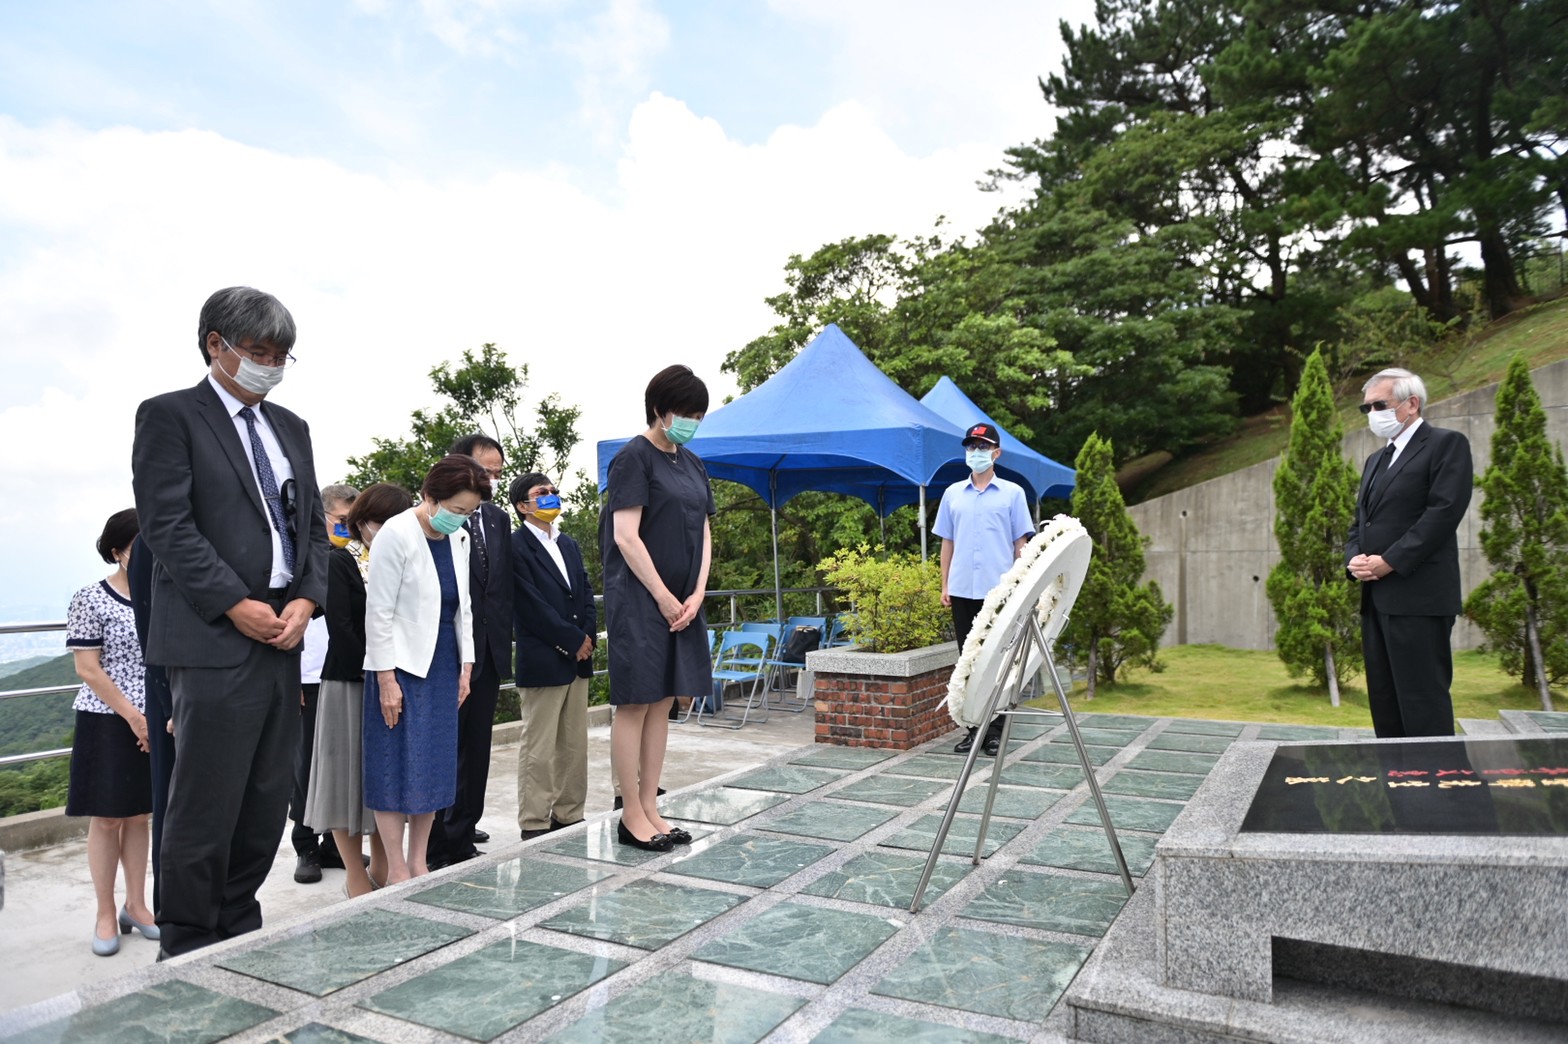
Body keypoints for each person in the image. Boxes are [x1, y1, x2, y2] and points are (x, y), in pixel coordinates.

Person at [132, 286, 328, 957]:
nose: (270, 364)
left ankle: (237, 928)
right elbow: (169, 526)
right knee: (205, 801)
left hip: (283, 634)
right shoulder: (171, 417)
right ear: (216, 344)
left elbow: (315, 533)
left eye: (281, 355)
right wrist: (231, 603)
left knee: (267, 796)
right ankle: (186, 943)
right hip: (216, 635)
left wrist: (306, 599)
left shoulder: (291, 429)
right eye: (258, 351)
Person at [600, 364, 713, 852]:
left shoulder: (691, 461)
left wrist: (697, 592)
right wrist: (665, 597)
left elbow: (705, 529)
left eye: (697, 415)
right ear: (658, 409)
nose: (689, 422)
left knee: (665, 701)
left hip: (683, 602)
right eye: (683, 413)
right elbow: (626, 535)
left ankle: (651, 805)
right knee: (636, 701)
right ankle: (630, 814)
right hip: (640, 600)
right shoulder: (633, 458)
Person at [362, 455, 484, 883]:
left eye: (469, 512)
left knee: (432, 765)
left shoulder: (459, 538)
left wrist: (466, 665)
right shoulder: (395, 534)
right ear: (431, 497)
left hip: (443, 664)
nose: (462, 518)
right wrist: (385, 679)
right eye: (456, 510)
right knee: (392, 766)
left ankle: (419, 861)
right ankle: (396, 867)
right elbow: (378, 612)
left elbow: (462, 607)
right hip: (399, 667)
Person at [1346, 367, 1474, 738]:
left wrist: (1390, 561)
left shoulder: (1446, 444)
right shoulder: (1376, 460)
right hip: (1376, 597)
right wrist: (1354, 559)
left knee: (1423, 701)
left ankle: (1438, 789)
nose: (1372, 414)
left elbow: (1443, 513)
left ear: (1411, 404)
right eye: (1365, 408)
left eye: (1379, 405)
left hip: (1419, 597)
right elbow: (1361, 522)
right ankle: (1398, 784)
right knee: (1384, 702)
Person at [305, 482, 410, 897]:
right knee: (343, 779)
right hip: (350, 682)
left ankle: (384, 866)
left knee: (382, 781)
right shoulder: (339, 562)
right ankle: (353, 874)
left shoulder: (403, 559)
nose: (384, 531)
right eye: (378, 522)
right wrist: (380, 667)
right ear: (361, 522)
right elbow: (343, 629)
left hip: (395, 683)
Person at [66, 509, 158, 956]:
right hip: (106, 718)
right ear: (118, 550)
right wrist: (133, 717)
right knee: (106, 818)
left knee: (140, 814)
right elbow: (89, 668)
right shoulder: (90, 597)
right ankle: (105, 911)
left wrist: (157, 715)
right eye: (140, 544)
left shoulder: (159, 596)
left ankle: (137, 905)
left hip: (154, 717)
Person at [427, 434, 512, 869]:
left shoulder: (496, 519)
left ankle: (463, 830)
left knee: (478, 748)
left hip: (489, 650)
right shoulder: (439, 518)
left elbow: (501, 587)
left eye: (498, 472)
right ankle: (437, 840)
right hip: (449, 653)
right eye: (486, 471)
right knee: (447, 746)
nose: (493, 479)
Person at [935, 422, 1035, 756]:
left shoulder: (1012, 493)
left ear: (996, 452)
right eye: (971, 447)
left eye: (982, 447)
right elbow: (947, 543)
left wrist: (1022, 587)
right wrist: (944, 584)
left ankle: (995, 731)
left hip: (999, 593)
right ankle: (972, 728)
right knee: (968, 662)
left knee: (997, 662)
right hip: (962, 589)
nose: (975, 453)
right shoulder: (952, 495)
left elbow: (1021, 544)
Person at [510, 472, 595, 840]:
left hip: (578, 656)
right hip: (545, 656)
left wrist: (587, 636)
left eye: (553, 491)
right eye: (540, 493)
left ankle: (569, 812)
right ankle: (534, 820)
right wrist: (570, 639)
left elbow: (586, 592)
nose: (550, 497)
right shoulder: (514, 546)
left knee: (575, 744)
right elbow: (529, 605)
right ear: (522, 505)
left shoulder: (569, 544)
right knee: (539, 748)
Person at [291, 482, 360, 884]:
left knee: (340, 764)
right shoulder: (302, 559)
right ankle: (306, 846)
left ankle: (338, 846)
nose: (346, 528)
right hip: (307, 676)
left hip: (343, 673)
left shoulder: (353, 559)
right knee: (305, 766)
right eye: (341, 520)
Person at [124, 530, 173, 914]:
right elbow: (150, 632)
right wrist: (169, 706)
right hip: (171, 698)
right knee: (173, 810)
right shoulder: (149, 541)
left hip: (221, 694)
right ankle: (170, 912)